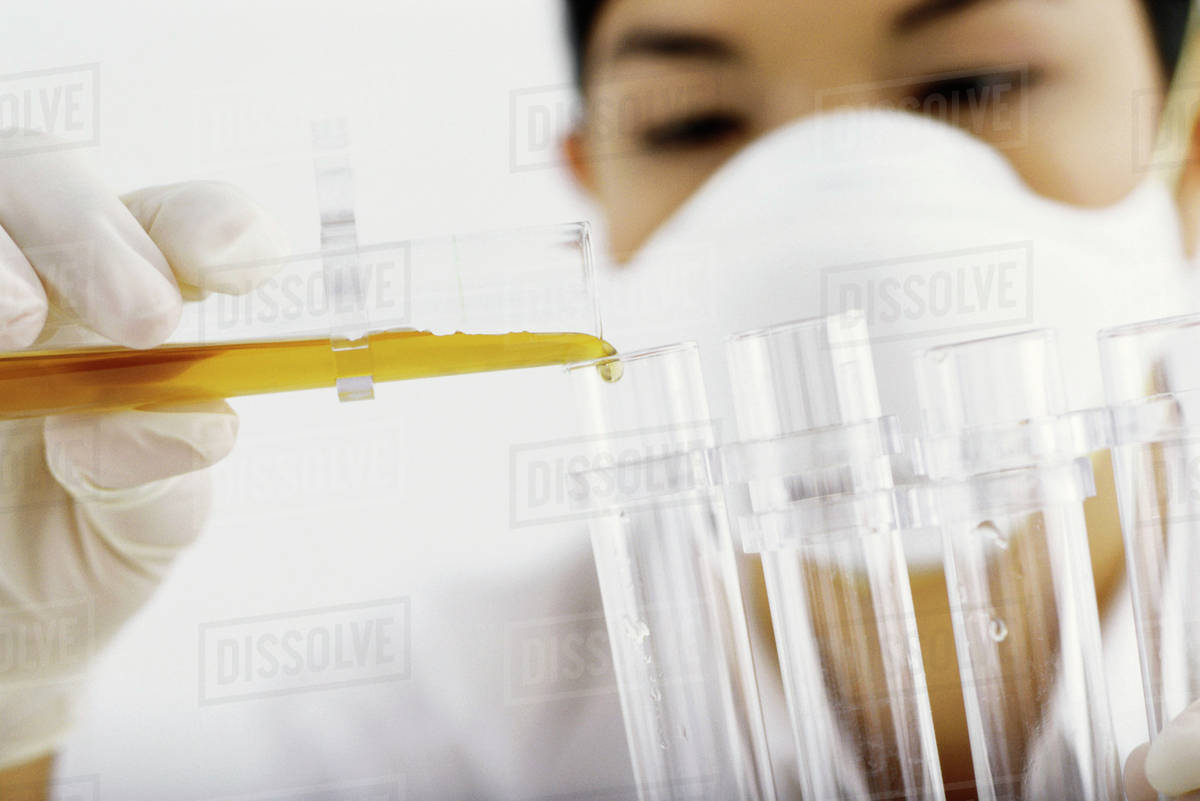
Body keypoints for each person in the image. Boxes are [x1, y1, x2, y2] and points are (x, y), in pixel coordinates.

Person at [1, 2, 1198, 800]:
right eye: (695, 121)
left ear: (1187, 154)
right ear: (597, 198)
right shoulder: (467, 716)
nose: (846, 203)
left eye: (973, 82)